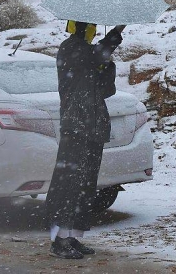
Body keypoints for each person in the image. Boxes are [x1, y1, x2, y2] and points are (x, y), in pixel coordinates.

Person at [46, 21, 125, 259]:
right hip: (76, 126)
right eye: (89, 27)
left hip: (94, 127)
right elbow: (95, 55)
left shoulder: (90, 57)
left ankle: (73, 237)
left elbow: (106, 90)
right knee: (69, 184)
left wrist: (107, 67)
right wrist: (114, 35)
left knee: (85, 185)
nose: (92, 30)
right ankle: (58, 240)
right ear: (79, 28)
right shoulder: (71, 48)